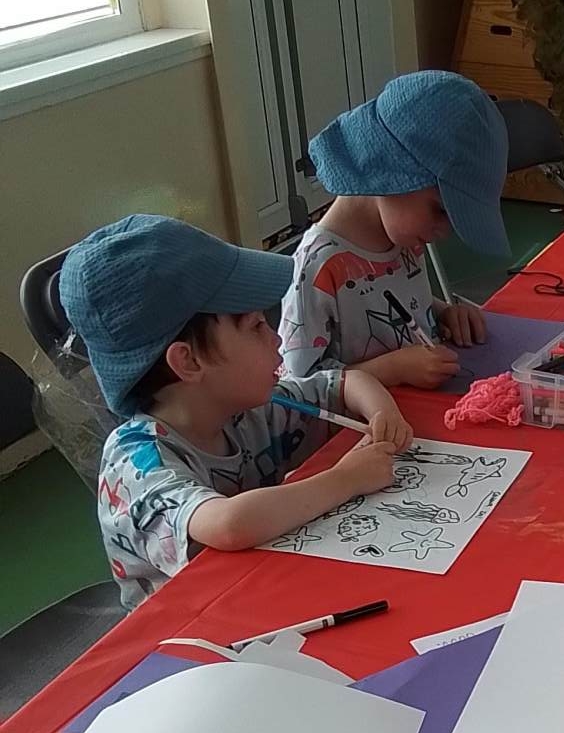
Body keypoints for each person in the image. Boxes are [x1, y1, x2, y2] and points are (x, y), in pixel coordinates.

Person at [62, 214, 412, 610]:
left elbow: (345, 383)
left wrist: (382, 413)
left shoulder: (243, 407)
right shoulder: (136, 466)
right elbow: (230, 525)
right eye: (256, 327)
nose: (277, 339)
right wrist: (346, 479)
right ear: (189, 362)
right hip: (191, 631)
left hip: (262, 592)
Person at [280, 70, 510, 391]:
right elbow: (298, 386)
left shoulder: (402, 238)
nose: (446, 231)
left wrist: (442, 313)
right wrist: (392, 370)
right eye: (441, 210)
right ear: (393, 171)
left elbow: (393, 297)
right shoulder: (317, 267)